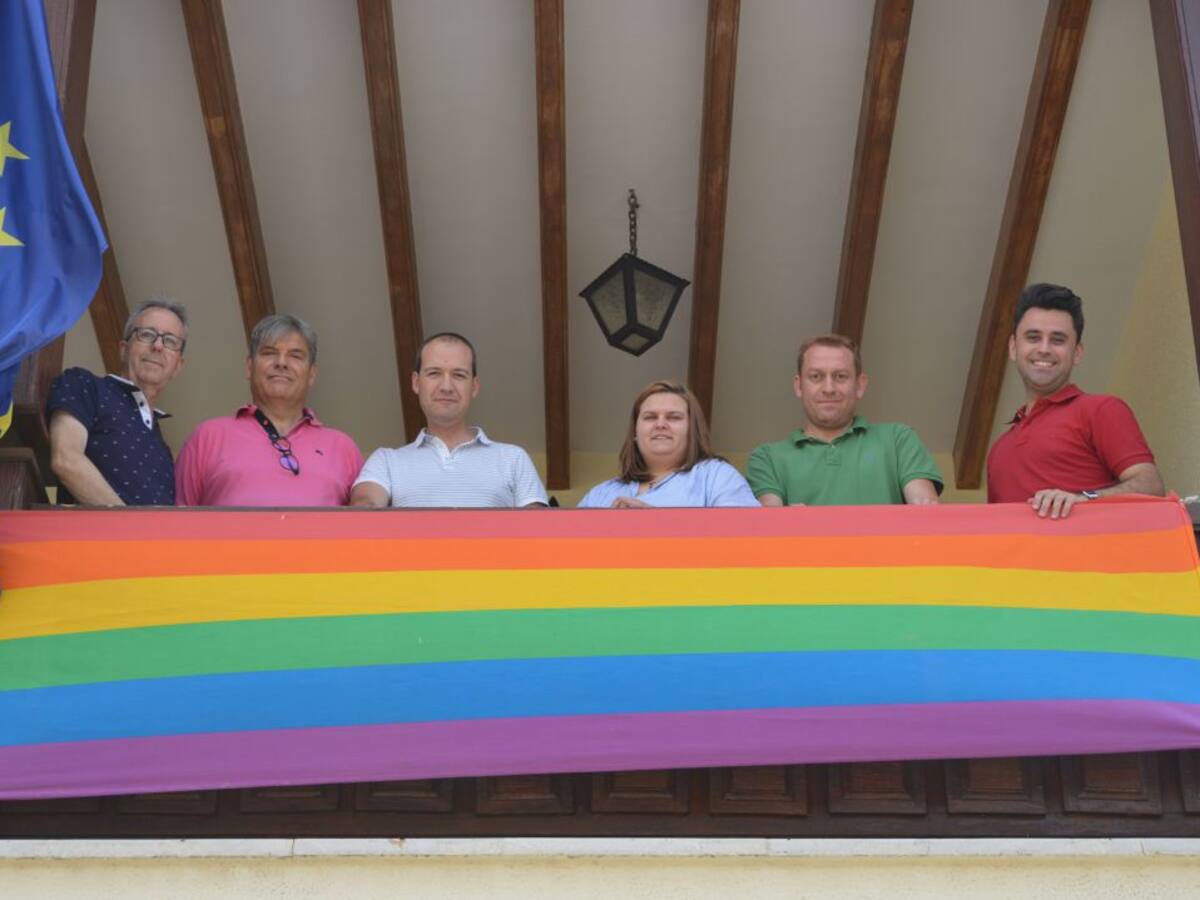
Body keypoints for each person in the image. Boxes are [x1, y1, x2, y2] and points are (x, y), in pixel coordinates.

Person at [987, 283, 1164, 518]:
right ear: (1013, 348)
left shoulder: (1100, 409)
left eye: (1058, 340)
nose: (1044, 349)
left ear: (1077, 353)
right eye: (1033, 337)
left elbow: (1151, 487)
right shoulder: (998, 450)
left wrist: (1084, 499)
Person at [175, 314, 362, 506]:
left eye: (295, 356)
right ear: (249, 367)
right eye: (269, 353)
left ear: (312, 374)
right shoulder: (207, 438)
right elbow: (175, 520)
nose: (281, 363)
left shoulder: (344, 449)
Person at [351, 332, 548, 508]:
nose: (446, 387)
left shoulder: (514, 459)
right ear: (416, 383)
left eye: (459, 375)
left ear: (474, 387)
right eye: (434, 373)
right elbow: (362, 514)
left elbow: (539, 529)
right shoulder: (386, 461)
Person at [747, 333, 942, 506]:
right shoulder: (767, 458)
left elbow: (924, 511)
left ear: (860, 385)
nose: (828, 388)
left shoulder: (898, 439)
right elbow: (768, 524)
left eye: (840, 376)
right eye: (816, 376)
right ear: (799, 386)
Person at [47, 297, 189, 506]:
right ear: (124, 349)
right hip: (90, 528)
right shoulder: (84, 384)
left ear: (178, 366)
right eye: (147, 334)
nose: (158, 345)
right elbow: (66, 459)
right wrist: (127, 523)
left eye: (170, 341)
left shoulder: (164, 449)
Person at [577, 380, 756, 508]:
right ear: (635, 433)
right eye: (650, 417)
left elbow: (745, 537)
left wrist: (658, 524)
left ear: (692, 430)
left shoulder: (717, 476)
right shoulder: (599, 495)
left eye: (674, 417)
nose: (660, 424)